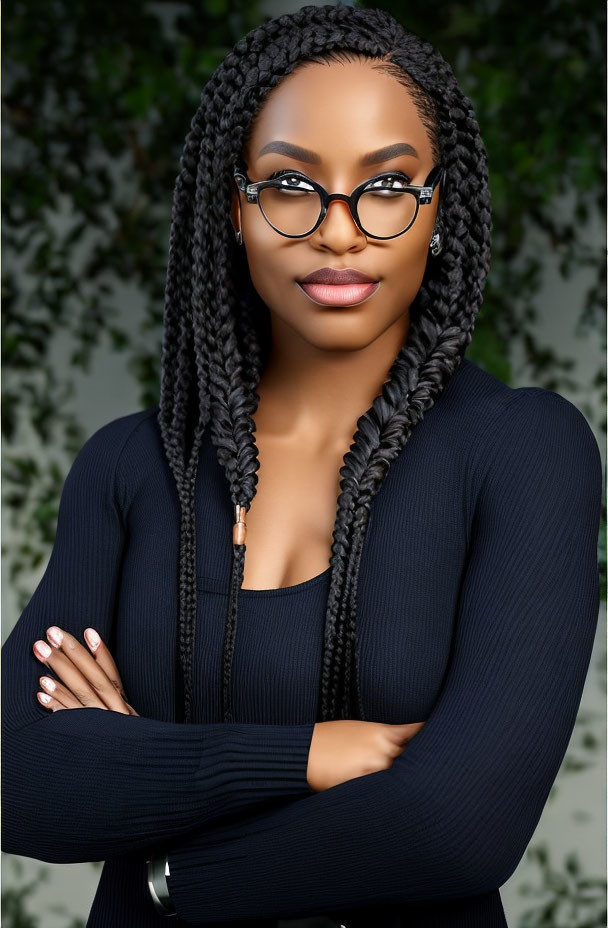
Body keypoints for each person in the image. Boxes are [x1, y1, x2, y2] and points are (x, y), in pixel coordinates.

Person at [1, 5, 602, 927]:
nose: (339, 231)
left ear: (438, 209)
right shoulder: (131, 465)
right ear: (234, 211)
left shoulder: (524, 450)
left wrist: (162, 855)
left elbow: (456, 827)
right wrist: (308, 758)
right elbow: (14, 775)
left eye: (387, 185)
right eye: (291, 184)